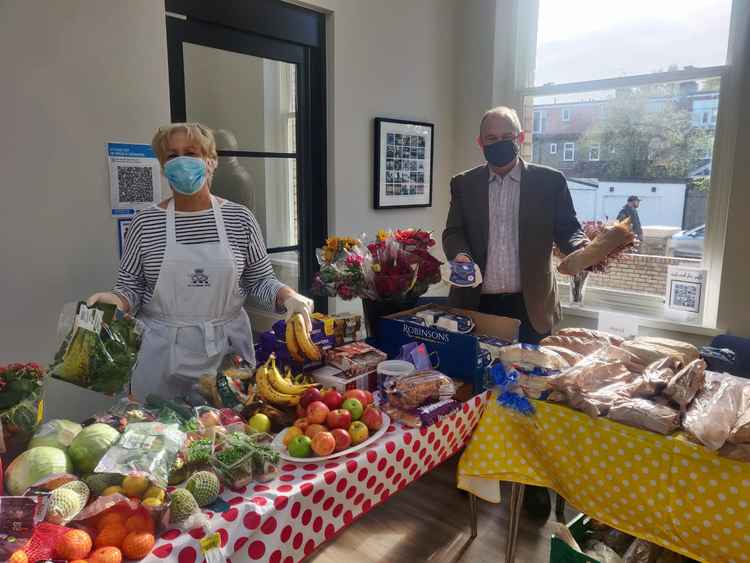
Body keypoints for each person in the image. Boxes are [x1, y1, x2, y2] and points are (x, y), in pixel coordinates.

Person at [88, 123, 312, 400]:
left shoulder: (239, 219)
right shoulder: (145, 223)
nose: (181, 161)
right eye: (172, 155)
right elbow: (131, 287)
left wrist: (288, 297)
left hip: (227, 354)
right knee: (159, 433)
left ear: (211, 161)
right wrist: (115, 301)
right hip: (161, 352)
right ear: (162, 166)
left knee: (229, 432)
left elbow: (259, 279)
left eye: (191, 153)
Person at [443, 106, 587, 519]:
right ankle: (477, 472)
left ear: (521, 138)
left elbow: (569, 229)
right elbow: (453, 232)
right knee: (480, 392)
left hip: (530, 306)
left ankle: (532, 483)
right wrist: (462, 255)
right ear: (480, 143)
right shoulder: (464, 184)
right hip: (479, 304)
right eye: (490, 138)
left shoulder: (550, 181)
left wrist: (583, 250)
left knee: (530, 397)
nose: (498, 143)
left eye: (506, 136)